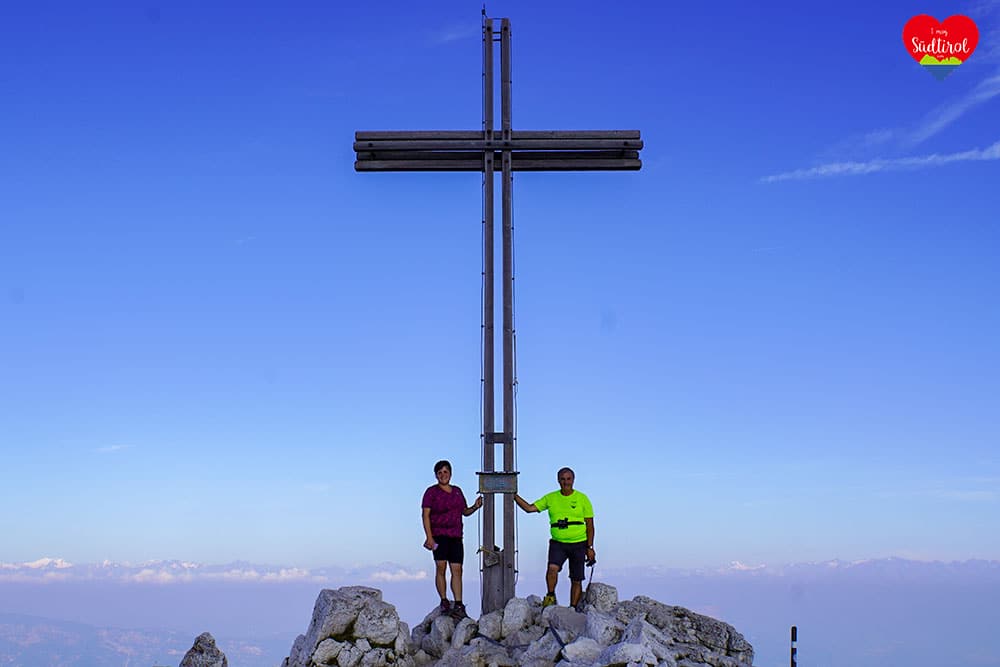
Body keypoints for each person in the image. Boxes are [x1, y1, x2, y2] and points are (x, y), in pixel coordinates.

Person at [514, 467, 595, 608]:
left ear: (573, 480)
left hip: (579, 543)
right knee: (552, 569)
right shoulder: (551, 498)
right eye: (563, 479)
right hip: (558, 543)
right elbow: (529, 508)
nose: (566, 482)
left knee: (576, 579)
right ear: (558, 481)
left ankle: (572, 608)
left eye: (568, 479)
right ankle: (550, 596)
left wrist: (590, 547)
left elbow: (590, 525)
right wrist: (513, 495)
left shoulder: (583, 499)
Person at [421, 459, 483, 619]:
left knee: (457, 570)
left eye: (445, 472)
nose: (443, 475)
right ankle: (444, 600)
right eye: (440, 473)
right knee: (441, 568)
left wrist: (475, 507)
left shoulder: (457, 491)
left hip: (456, 535)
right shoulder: (431, 492)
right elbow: (425, 515)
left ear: (450, 473)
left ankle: (459, 603)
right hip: (439, 535)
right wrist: (429, 537)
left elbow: (464, 511)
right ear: (436, 475)